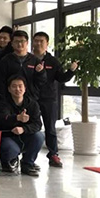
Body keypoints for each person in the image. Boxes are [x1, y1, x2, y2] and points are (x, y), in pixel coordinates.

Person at [32, 31, 78, 168]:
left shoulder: (53, 61)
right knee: (30, 127)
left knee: (50, 128)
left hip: (48, 99)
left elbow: (61, 78)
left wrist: (71, 71)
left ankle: (53, 154)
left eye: (41, 41)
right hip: (31, 99)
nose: (38, 43)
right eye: (36, 41)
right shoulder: (28, 59)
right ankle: (28, 156)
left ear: (47, 44)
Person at [0, 75, 44, 176]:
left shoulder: (32, 104)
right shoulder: (3, 103)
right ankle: (10, 160)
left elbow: (37, 124)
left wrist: (24, 129)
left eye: (20, 86)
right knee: (10, 149)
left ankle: (27, 164)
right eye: (14, 86)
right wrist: (17, 118)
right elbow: (1, 119)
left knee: (39, 136)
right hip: (8, 137)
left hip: (25, 136)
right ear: (9, 89)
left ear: (25, 88)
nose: (17, 89)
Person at [0, 30, 46, 100]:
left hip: (31, 99)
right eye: (16, 41)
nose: (19, 44)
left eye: (22, 41)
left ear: (27, 43)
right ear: (12, 43)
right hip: (10, 100)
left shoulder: (35, 60)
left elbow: (41, 81)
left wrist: (41, 72)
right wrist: (5, 98)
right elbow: (1, 82)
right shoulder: (5, 61)